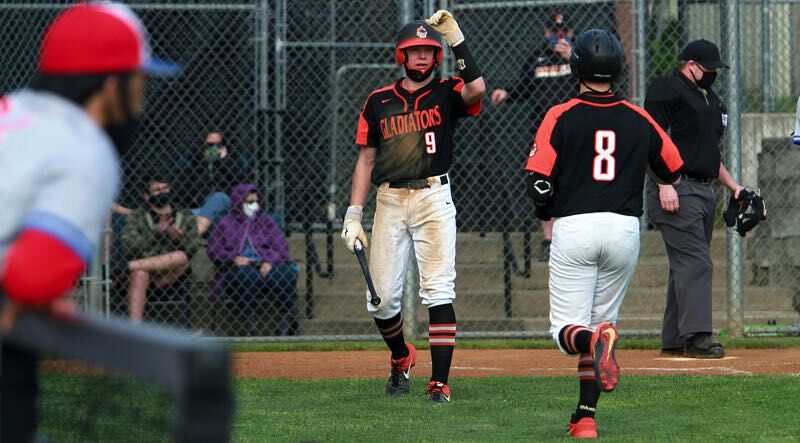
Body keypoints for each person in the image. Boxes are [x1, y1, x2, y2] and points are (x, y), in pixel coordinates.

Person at [0, 2, 179, 440]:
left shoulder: (10, 109)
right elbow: (32, 279)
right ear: (112, 85)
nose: (142, 98)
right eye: (141, 83)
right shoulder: (85, 147)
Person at [524, 29, 683, 438]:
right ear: (617, 68)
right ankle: (585, 419)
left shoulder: (560, 114)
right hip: (624, 228)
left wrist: (547, 213)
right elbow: (673, 167)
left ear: (576, 66)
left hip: (575, 224)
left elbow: (539, 181)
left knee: (566, 333)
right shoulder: (638, 116)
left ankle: (595, 343)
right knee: (599, 324)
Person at [341, 10, 484, 403]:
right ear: (400, 56)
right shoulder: (378, 100)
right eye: (414, 51)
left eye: (428, 51)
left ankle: (439, 382)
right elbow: (366, 159)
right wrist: (354, 213)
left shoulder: (448, 91)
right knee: (381, 299)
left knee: (438, 290)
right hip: (389, 199)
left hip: (434, 197)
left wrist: (455, 38)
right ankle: (402, 356)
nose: (422, 57)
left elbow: (477, 89)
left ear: (437, 57)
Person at [645, 39, 743, 359]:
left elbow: (709, 155)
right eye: (709, 68)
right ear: (690, 65)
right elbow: (651, 141)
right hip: (676, 187)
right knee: (696, 262)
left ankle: (674, 338)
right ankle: (698, 335)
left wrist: (733, 187)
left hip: (704, 190)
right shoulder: (667, 88)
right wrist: (663, 183)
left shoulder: (712, 101)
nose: (714, 73)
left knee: (684, 265)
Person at [491, 9, 578, 261]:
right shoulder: (537, 57)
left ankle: (570, 238)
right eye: (554, 32)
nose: (559, 36)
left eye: (564, 32)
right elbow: (524, 87)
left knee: (572, 184)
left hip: (574, 133)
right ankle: (548, 240)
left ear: (571, 33)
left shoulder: (580, 56)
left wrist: (572, 57)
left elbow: (593, 80)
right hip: (543, 133)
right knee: (544, 186)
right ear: (546, 32)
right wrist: (507, 93)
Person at [208, 183, 299, 336]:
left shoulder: (266, 221)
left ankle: (286, 322)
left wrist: (269, 261)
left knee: (286, 274)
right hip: (238, 267)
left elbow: (282, 248)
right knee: (247, 277)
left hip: (267, 264)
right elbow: (214, 251)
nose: (254, 205)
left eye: (256, 201)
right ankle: (251, 326)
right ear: (239, 202)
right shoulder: (224, 223)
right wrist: (234, 258)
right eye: (249, 202)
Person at [121, 177, 201, 324]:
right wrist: (156, 232)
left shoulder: (185, 214)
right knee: (139, 274)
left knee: (181, 257)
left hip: (172, 275)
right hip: (145, 274)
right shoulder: (137, 216)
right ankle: (135, 329)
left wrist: (178, 239)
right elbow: (128, 247)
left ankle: (122, 269)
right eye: (157, 190)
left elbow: (193, 246)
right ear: (147, 195)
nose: (162, 192)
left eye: (165, 188)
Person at [175, 130, 246, 235]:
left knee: (218, 197)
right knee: (189, 216)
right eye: (210, 145)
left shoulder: (232, 159)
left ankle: (193, 235)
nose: (214, 148)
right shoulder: (194, 163)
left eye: (218, 145)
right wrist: (202, 165)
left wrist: (223, 161)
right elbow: (183, 192)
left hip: (227, 204)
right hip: (202, 208)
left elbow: (239, 179)